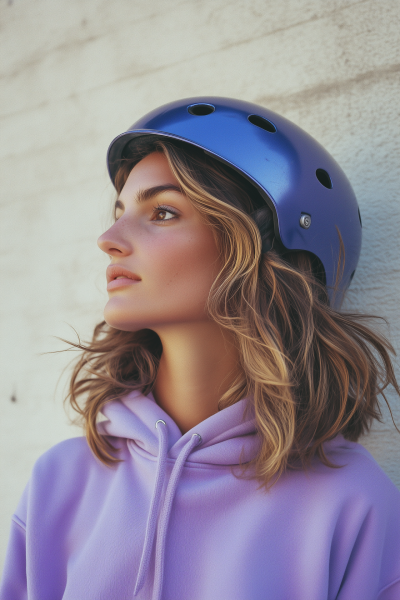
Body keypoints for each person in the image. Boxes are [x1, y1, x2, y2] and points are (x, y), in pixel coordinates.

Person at [1, 97, 400, 600]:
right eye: (120, 211)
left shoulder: (352, 502)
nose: (108, 238)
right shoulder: (61, 482)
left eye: (162, 212)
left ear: (260, 250)